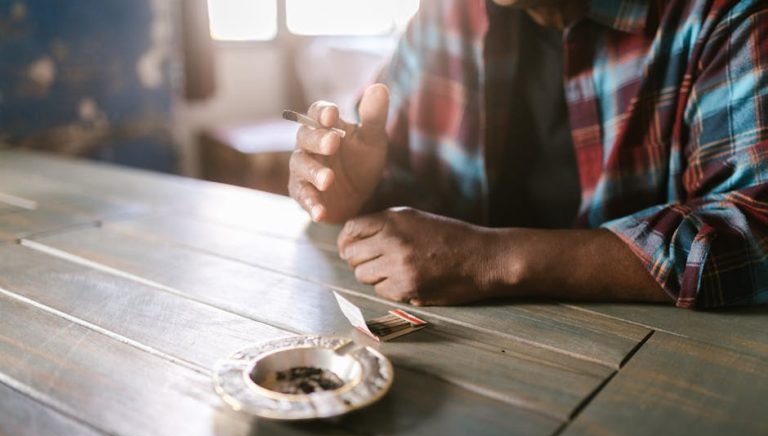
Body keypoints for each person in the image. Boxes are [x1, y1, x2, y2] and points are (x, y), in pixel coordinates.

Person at [288, 0, 768, 309]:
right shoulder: (443, 16)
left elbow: (754, 229)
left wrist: (494, 259)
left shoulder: (720, 16)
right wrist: (356, 188)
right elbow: (404, 188)